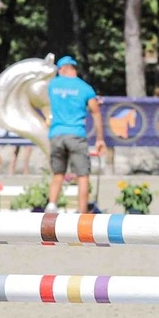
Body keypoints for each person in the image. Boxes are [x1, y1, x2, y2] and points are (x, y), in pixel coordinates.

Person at [43, 56, 105, 214]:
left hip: (56, 134)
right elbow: (96, 113)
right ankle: (82, 214)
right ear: (73, 68)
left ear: (63, 69)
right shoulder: (85, 88)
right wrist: (99, 139)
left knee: (58, 174)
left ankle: (51, 206)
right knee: (82, 176)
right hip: (76, 134)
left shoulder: (53, 85)